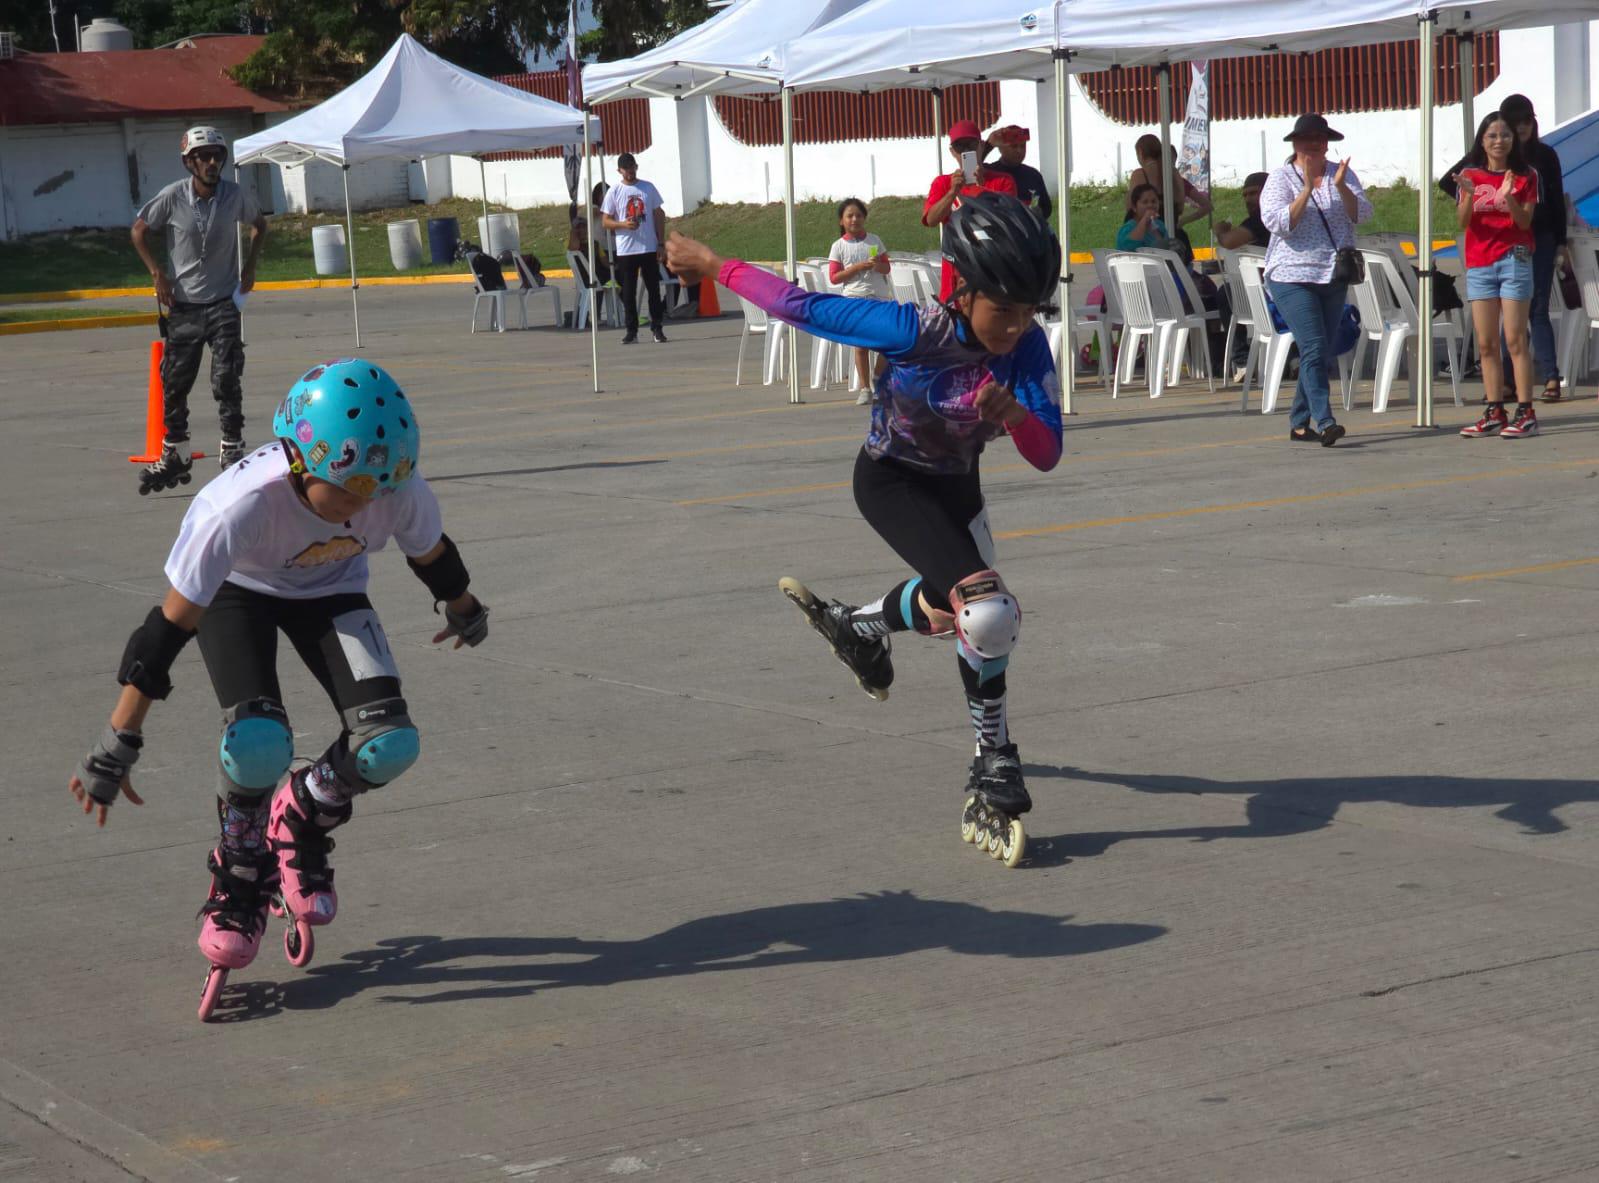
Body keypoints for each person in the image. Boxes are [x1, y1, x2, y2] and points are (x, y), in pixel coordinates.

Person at [66, 359, 490, 1019]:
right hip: (240, 596)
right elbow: (166, 631)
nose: (362, 506)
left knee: (389, 743)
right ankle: (239, 872)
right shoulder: (237, 505)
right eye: (347, 492)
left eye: (375, 491)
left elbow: (431, 552)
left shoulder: (391, 488)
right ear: (297, 461)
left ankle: (302, 811)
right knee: (258, 742)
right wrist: (118, 738)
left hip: (333, 593)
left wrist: (463, 606)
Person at [666, 192, 1062, 868]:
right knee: (987, 611)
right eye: (1003, 310)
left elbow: (1047, 451)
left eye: (1029, 312)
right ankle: (992, 760)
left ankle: (857, 625)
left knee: (951, 610)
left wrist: (1015, 417)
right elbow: (800, 306)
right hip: (890, 481)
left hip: (956, 489)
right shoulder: (910, 328)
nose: (1016, 326)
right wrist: (711, 262)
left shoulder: (1024, 349)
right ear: (961, 291)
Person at [131, 126, 269, 491]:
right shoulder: (172, 197)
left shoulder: (234, 195)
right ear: (188, 162)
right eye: (203, 157)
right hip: (184, 307)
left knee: (226, 379)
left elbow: (260, 225)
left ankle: (233, 451)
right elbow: (139, 231)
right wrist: (157, 273)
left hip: (223, 303)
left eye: (217, 156)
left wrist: (250, 266)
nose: (211, 163)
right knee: (174, 384)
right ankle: (175, 453)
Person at [1440, 93, 1568, 402]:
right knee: (1496, 331)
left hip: (1532, 241)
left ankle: (1549, 378)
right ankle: (1502, 389)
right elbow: (1450, 185)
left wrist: (1561, 242)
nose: (1519, 128)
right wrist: (1469, 193)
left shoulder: (1539, 160)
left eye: (1526, 122)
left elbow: (1553, 201)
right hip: (1486, 253)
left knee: (1535, 311)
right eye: (1514, 123)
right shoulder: (1478, 167)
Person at [1259, 113, 1372, 447]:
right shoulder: (1281, 178)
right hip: (1292, 275)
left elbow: (1362, 214)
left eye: (1320, 140)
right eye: (1307, 140)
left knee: (1319, 351)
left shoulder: (1342, 173)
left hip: (1332, 273)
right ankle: (1325, 420)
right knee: (1313, 345)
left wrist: (1339, 187)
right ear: (1295, 144)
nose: (1314, 146)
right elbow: (1278, 223)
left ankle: (1298, 422)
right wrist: (1307, 189)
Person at [1453, 110, 1541, 439]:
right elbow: (1462, 223)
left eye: (1505, 135)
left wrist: (1507, 198)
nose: (1499, 141)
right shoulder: (1470, 175)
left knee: (1515, 339)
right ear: (1482, 140)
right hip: (1479, 262)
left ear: (1513, 140)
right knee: (1487, 343)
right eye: (1492, 135)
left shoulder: (1525, 175)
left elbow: (1524, 223)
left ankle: (1526, 410)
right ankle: (1494, 411)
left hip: (1514, 259)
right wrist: (1469, 195)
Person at [923, 119, 1019, 302]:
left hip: (992, 275)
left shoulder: (1003, 181)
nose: (966, 151)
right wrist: (952, 193)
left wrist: (982, 187)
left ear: (981, 147)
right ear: (952, 152)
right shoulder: (943, 183)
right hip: (954, 277)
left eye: (971, 145)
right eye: (960, 147)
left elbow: (1008, 221)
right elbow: (931, 220)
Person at [826, 196, 893, 402]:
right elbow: (834, 277)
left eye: (858, 215)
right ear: (842, 221)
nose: (854, 219)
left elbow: (886, 267)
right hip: (855, 298)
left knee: (888, 342)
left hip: (878, 296)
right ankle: (865, 388)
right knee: (861, 345)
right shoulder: (838, 246)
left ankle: (878, 377)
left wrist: (875, 266)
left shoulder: (874, 240)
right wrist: (856, 268)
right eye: (850, 216)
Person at [601, 153, 668, 344]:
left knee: (653, 290)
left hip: (648, 246)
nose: (629, 172)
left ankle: (657, 327)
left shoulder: (647, 187)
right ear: (619, 171)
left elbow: (658, 214)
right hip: (626, 249)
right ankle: (631, 330)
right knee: (629, 292)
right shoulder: (614, 191)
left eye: (632, 167)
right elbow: (606, 221)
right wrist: (622, 224)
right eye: (625, 169)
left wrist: (660, 242)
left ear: (636, 166)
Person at [1128, 135, 1212, 229]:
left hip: (1148, 234)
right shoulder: (1177, 177)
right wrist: (1183, 220)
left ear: (1140, 152)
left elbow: (1129, 208)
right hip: (1174, 233)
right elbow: (1203, 206)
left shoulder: (1139, 175)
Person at [984, 125, 1052, 219]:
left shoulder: (1033, 175)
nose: (1019, 151)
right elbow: (972, 167)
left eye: (1022, 146)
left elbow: (1046, 209)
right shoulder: (988, 172)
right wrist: (989, 144)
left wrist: (1038, 212)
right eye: (1014, 146)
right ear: (1000, 148)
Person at [1213, 172, 1272, 249]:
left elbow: (1229, 242)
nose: (1247, 200)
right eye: (1245, 195)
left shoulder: (1261, 219)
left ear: (1268, 192)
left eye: (1253, 193)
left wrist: (1220, 231)